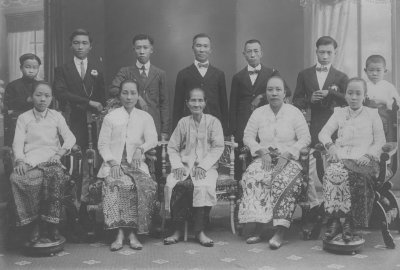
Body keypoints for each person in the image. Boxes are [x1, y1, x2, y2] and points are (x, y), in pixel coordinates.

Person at [239, 76, 311, 249]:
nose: (274, 93)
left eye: (278, 89)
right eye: (270, 89)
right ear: (266, 93)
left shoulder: (294, 112)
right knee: (253, 176)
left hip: (289, 159)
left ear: (284, 93)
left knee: (282, 180)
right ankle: (260, 225)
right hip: (264, 158)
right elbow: (247, 136)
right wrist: (260, 150)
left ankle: (280, 230)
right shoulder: (259, 112)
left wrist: (289, 153)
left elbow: (305, 138)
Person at [318, 77, 385, 242]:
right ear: (345, 95)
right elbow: (323, 133)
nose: (354, 97)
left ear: (364, 95)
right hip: (342, 156)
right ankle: (335, 221)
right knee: (333, 173)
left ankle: (351, 223)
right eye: (350, 93)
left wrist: (368, 155)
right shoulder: (339, 113)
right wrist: (331, 147)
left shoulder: (372, 114)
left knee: (357, 177)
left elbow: (380, 141)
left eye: (358, 93)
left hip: (365, 159)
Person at [292, 36, 348, 228]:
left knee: (333, 168)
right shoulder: (305, 74)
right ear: (316, 52)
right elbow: (295, 101)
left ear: (334, 53)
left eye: (329, 53)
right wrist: (309, 100)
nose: (325, 56)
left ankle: (333, 208)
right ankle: (314, 207)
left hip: (334, 129)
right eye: (321, 52)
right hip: (312, 126)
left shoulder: (341, 77)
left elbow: (349, 100)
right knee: (309, 168)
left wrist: (331, 93)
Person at [10, 81, 76, 244]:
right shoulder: (23, 118)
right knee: (17, 179)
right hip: (30, 159)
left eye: (47, 96)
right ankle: (34, 225)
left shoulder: (56, 116)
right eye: (38, 95)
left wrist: (60, 152)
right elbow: (17, 142)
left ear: (52, 98)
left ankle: (52, 224)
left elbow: (70, 137)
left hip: (51, 159)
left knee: (56, 176)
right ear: (31, 97)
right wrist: (19, 160)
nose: (42, 99)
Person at [53, 28, 105, 232]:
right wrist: (88, 102)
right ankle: (73, 214)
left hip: (93, 124)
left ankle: (87, 210)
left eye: (84, 43)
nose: (80, 46)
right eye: (76, 43)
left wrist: (96, 107)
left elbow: (101, 96)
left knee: (91, 168)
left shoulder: (96, 67)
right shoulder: (62, 69)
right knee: (74, 167)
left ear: (90, 46)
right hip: (72, 123)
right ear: (71, 45)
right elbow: (61, 93)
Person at [97, 79, 158, 251]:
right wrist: (112, 162)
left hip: (136, 164)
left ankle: (133, 233)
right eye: (125, 92)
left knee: (143, 186)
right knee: (115, 184)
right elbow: (102, 145)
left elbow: (152, 139)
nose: (129, 97)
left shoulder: (145, 117)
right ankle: (119, 234)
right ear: (120, 94)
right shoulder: (111, 117)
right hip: (114, 164)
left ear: (138, 95)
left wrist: (141, 148)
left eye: (133, 93)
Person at [163, 88, 224, 247]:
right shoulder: (183, 122)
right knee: (175, 184)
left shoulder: (213, 122)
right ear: (187, 103)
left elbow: (218, 147)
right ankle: (176, 230)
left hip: (207, 167)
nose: (196, 104)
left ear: (205, 102)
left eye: (200, 100)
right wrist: (177, 165)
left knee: (202, 186)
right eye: (193, 100)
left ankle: (199, 231)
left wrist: (203, 166)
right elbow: (172, 147)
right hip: (184, 165)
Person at [229, 39, 291, 178]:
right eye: (249, 51)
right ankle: (241, 192)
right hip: (243, 121)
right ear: (244, 54)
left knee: (263, 153)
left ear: (261, 53)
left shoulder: (272, 73)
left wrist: (262, 96)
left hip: (265, 120)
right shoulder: (238, 77)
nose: (252, 54)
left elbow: (287, 90)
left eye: (256, 51)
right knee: (241, 156)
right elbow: (233, 104)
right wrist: (233, 129)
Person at [109, 34, 170, 139]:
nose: (142, 51)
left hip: (153, 124)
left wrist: (164, 130)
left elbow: (164, 104)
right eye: (138, 48)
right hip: (131, 123)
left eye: (145, 48)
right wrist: (137, 97)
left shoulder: (160, 73)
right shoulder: (125, 71)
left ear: (151, 49)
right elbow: (113, 89)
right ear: (134, 50)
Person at [173, 33, 229, 135]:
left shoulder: (219, 74)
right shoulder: (183, 74)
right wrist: (176, 131)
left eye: (205, 46)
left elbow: (223, 105)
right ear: (193, 48)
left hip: (213, 126)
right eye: (198, 46)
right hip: (189, 127)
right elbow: (177, 106)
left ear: (210, 49)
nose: (202, 50)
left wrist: (225, 131)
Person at [4, 53, 41, 146]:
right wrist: (27, 100)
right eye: (27, 67)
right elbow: (8, 106)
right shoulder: (12, 86)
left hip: (39, 122)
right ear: (21, 68)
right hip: (17, 122)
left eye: (35, 67)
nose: (31, 70)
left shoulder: (42, 86)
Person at [364, 55, 400, 142]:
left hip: (385, 119)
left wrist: (384, 101)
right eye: (371, 70)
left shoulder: (388, 86)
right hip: (368, 119)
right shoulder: (364, 86)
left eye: (378, 70)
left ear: (385, 71)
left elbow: (397, 104)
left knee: (386, 142)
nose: (374, 73)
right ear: (365, 71)